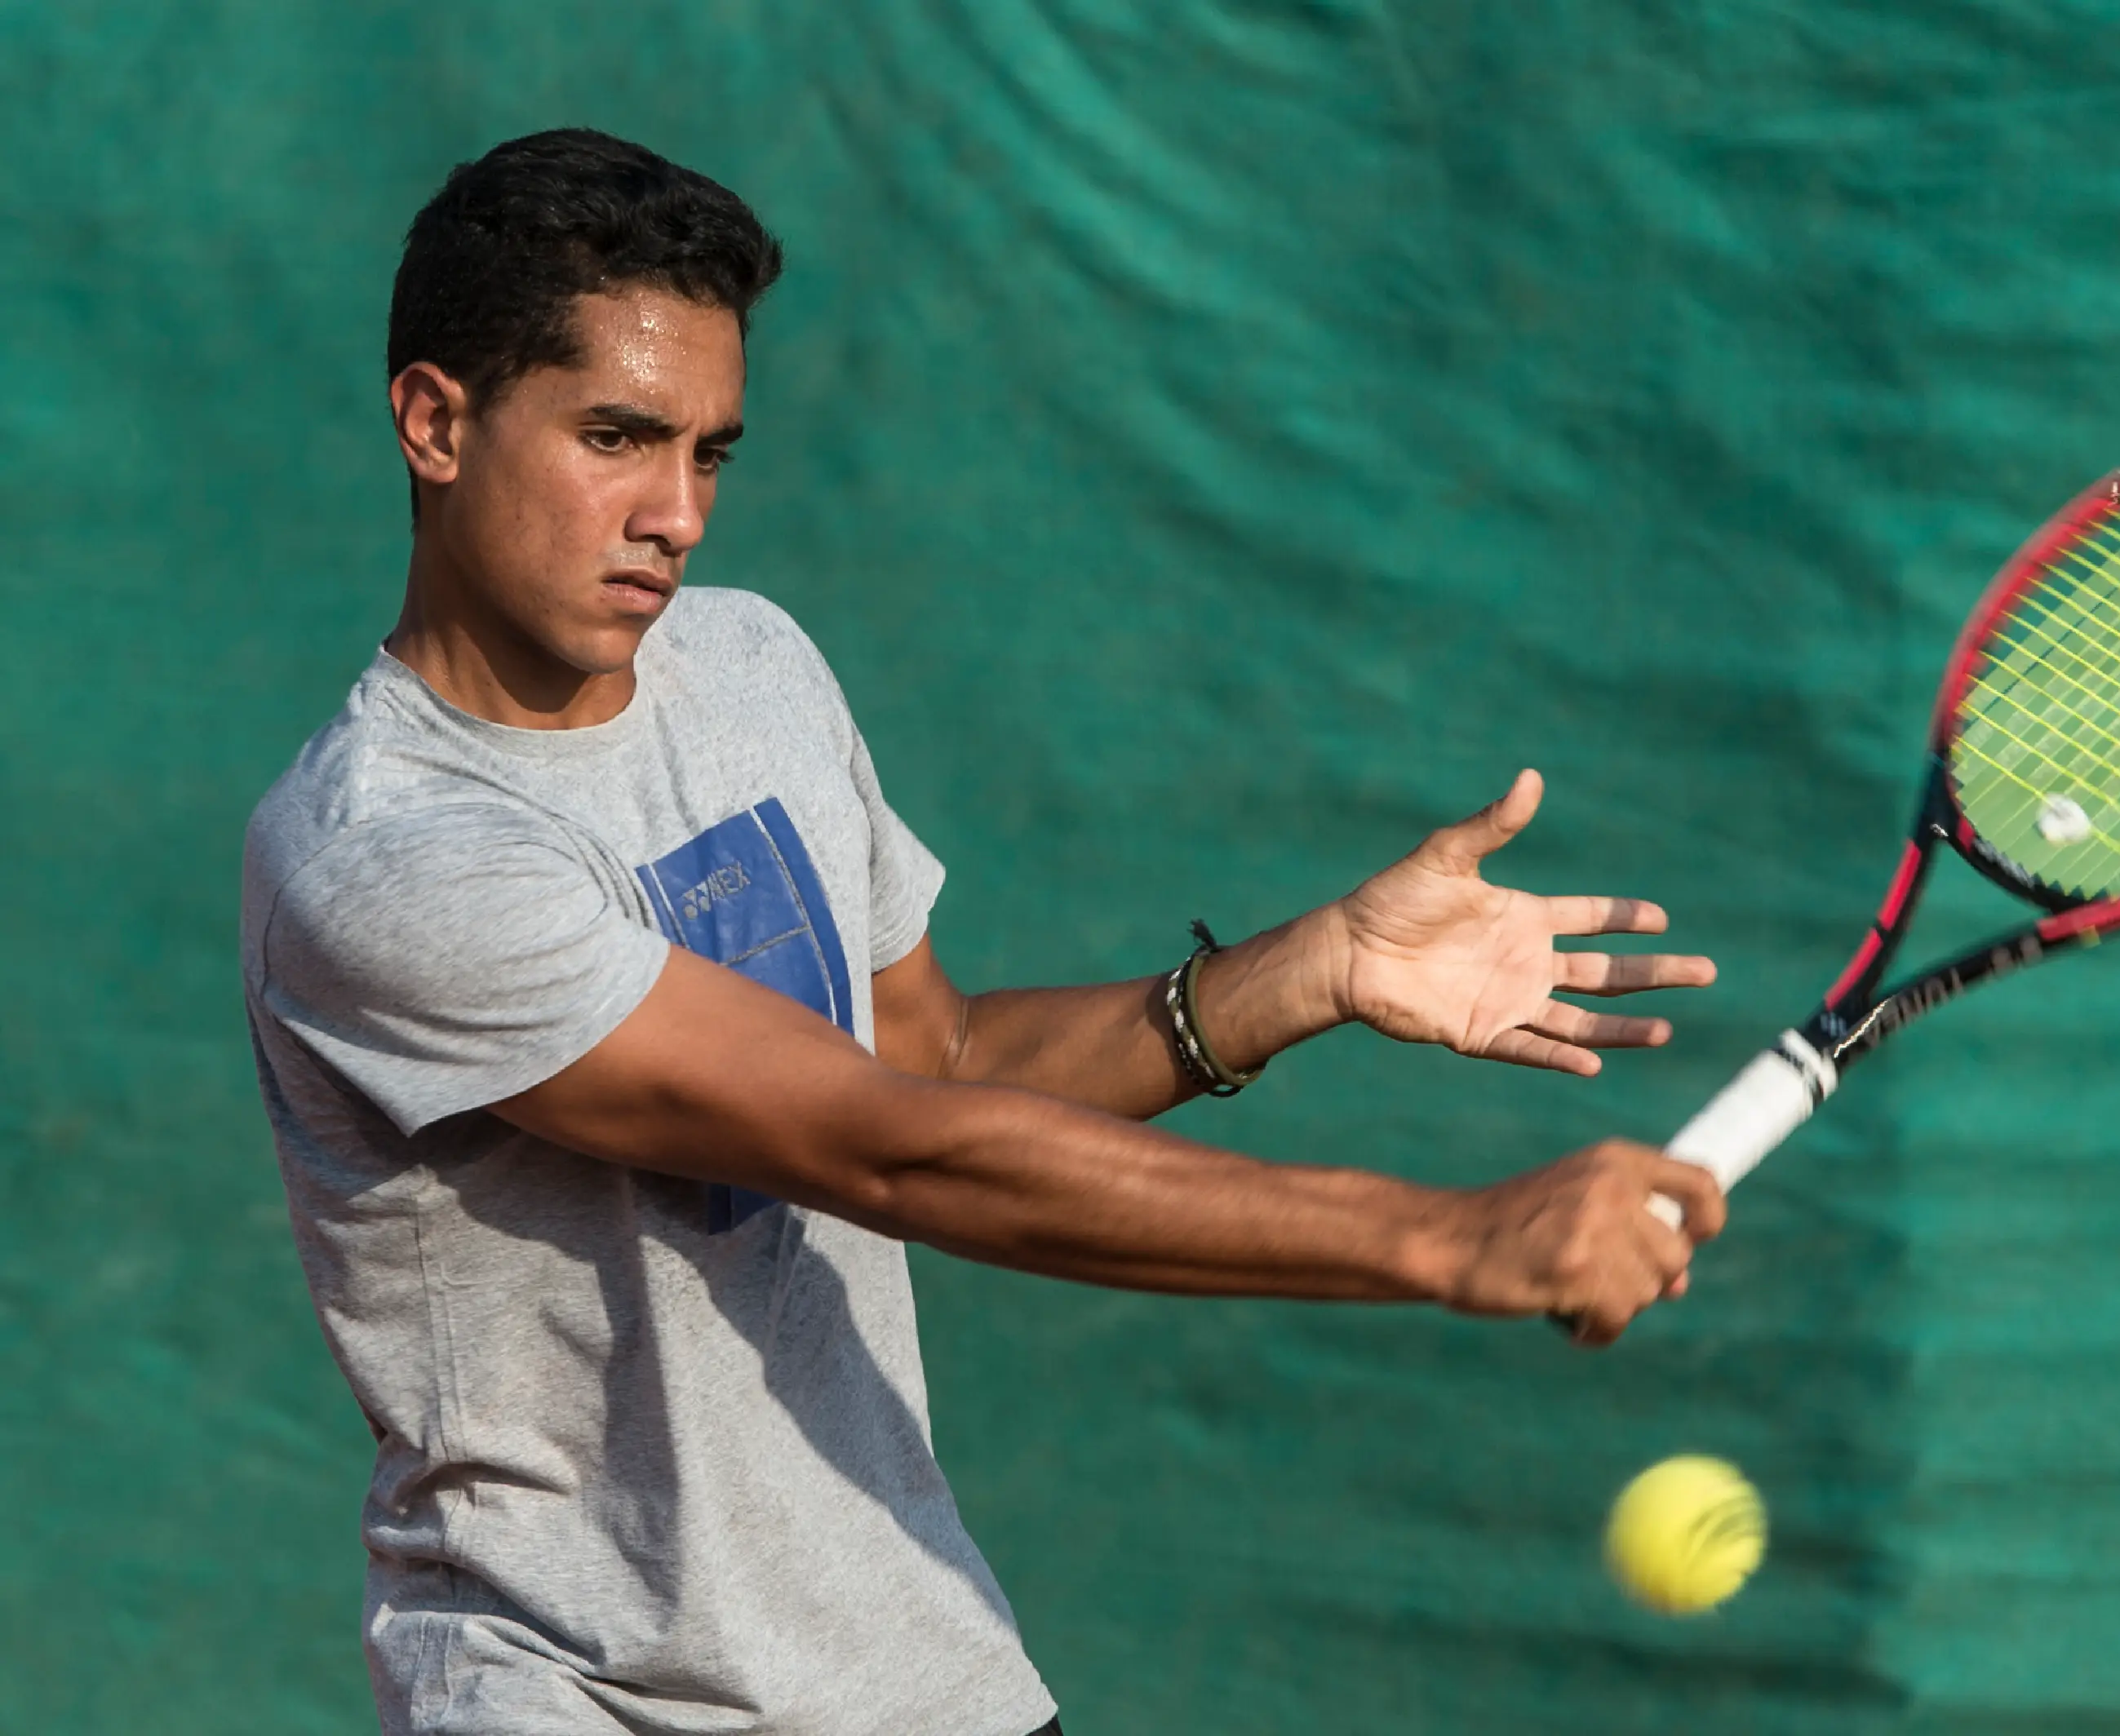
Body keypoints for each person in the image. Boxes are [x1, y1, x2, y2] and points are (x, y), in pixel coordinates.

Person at [240, 128, 1726, 1736]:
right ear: (435, 420)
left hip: (923, 1674)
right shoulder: (386, 861)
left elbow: (929, 1054)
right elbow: (894, 1148)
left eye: (711, 453)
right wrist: (1451, 1238)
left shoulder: (746, 663)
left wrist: (1301, 973)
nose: (675, 514)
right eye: (616, 437)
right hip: (588, 1700)